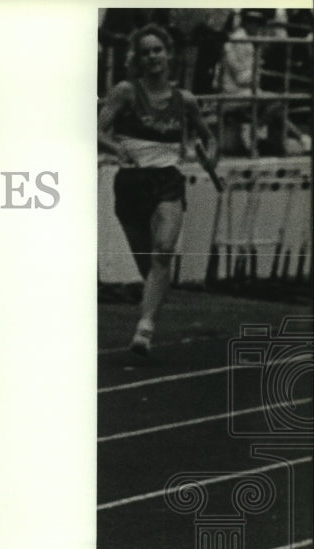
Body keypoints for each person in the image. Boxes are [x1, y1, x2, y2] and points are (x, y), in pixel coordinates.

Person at [98, 23, 216, 356]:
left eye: (158, 50)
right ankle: (153, 299)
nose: (152, 57)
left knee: (163, 249)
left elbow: (210, 138)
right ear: (138, 58)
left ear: (169, 55)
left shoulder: (185, 100)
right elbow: (96, 130)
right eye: (146, 51)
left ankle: (145, 327)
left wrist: (211, 156)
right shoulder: (125, 92)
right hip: (131, 182)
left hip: (166, 178)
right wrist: (114, 148)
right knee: (148, 262)